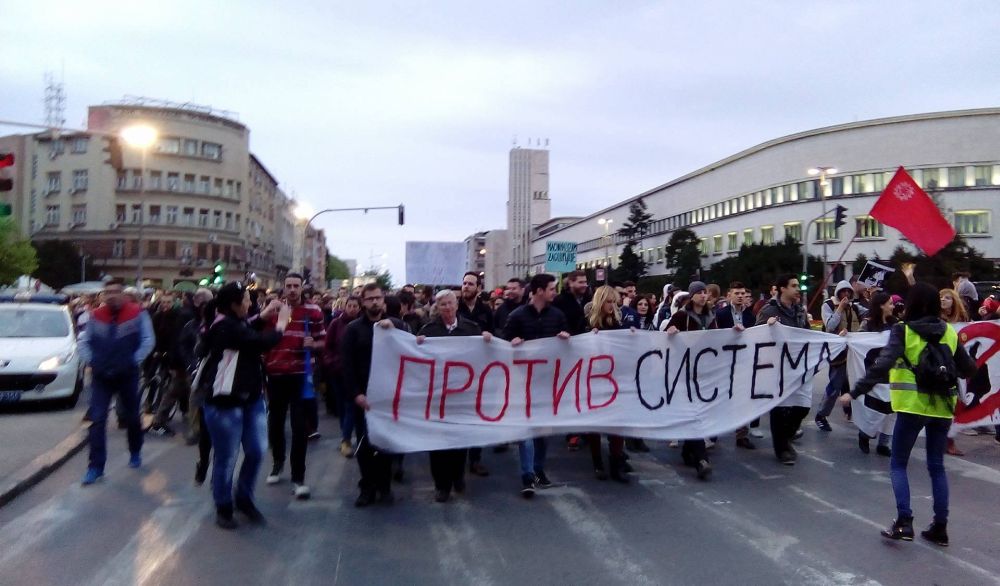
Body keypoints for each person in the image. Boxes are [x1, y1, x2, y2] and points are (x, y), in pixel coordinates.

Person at [843, 282, 977, 546]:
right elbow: (969, 368)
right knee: (936, 467)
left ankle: (904, 522)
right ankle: (940, 527)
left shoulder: (903, 331)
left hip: (911, 406)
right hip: (942, 407)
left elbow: (882, 365)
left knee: (898, 464)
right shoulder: (949, 332)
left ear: (912, 304)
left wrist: (855, 391)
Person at [198, 282, 285, 529]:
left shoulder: (233, 322)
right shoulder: (224, 327)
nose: (251, 303)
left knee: (257, 450)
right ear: (234, 305)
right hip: (224, 402)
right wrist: (281, 323)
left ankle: (244, 497)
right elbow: (258, 341)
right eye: (247, 300)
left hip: (252, 398)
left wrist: (262, 316)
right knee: (226, 458)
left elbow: (245, 327)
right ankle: (223, 506)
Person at [416, 290, 492, 502]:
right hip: (438, 396)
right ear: (437, 308)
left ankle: (457, 476)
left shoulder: (471, 329)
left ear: (456, 305)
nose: (447, 308)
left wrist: (487, 340)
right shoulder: (429, 331)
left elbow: (482, 357)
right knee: (438, 443)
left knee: (459, 440)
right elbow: (418, 358)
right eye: (443, 305)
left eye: (450, 303)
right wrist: (417, 344)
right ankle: (441, 485)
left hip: (462, 395)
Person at [78, 279, 155, 485]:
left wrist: (133, 360)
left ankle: (135, 450)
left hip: (127, 375)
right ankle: (95, 466)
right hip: (102, 376)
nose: (111, 295)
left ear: (122, 294)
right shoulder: (96, 316)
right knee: (98, 420)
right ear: (103, 295)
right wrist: (92, 360)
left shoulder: (138, 314)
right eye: (107, 292)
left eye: (115, 291)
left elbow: (148, 340)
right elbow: (84, 341)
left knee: (131, 417)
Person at [258, 273, 326, 500]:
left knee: (299, 427)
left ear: (302, 287)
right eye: (289, 286)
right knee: (275, 423)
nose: (293, 289)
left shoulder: (314, 311)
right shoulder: (274, 310)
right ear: (283, 288)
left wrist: (313, 344)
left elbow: (323, 341)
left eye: (296, 285)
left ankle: (299, 477)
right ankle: (277, 463)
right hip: (276, 374)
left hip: (300, 376)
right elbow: (260, 335)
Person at [503, 273, 570, 498]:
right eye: (552, 288)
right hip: (522, 382)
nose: (555, 292)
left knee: (544, 430)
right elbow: (501, 345)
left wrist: (565, 339)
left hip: (548, 382)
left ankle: (539, 468)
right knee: (527, 430)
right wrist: (511, 343)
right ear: (539, 290)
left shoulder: (558, 316)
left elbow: (569, 347)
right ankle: (527, 474)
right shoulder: (517, 316)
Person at [344, 283, 409, 506]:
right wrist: (356, 394)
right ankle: (367, 487)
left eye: (378, 298)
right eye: (369, 298)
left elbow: (410, 346)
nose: (374, 302)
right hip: (364, 398)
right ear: (363, 302)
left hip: (388, 396)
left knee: (385, 444)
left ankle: (384, 486)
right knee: (365, 445)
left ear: (383, 300)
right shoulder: (353, 330)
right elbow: (347, 365)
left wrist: (395, 325)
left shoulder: (395, 325)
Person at [755, 274, 812, 465]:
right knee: (779, 409)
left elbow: (807, 333)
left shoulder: (799, 311)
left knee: (802, 406)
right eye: (794, 286)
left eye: (798, 285)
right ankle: (781, 449)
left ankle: (786, 437)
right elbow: (755, 335)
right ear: (782, 289)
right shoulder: (769, 310)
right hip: (776, 367)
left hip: (797, 365)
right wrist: (767, 326)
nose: (798, 289)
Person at [664, 281, 717, 479]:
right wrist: (670, 333)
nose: (704, 295)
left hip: (704, 372)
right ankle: (702, 460)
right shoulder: (681, 316)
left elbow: (721, 338)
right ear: (692, 296)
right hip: (684, 372)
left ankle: (688, 451)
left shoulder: (711, 317)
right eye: (699, 292)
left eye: (705, 292)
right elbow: (664, 340)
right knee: (693, 413)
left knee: (699, 413)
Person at [584, 285, 630, 483]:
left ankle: (616, 462)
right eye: (608, 302)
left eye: (614, 302)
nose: (612, 306)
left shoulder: (618, 323)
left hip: (614, 378)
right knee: (596, 424)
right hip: (593, 379)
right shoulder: (587, 322)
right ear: (600, 302)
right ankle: (597, 463)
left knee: (617, 424)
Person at [815, 280, 867, 432]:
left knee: (859, 383)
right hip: (837, 353)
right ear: (838, 292)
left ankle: (856, 415)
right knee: (835, 386)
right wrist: (840, 309)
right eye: (843, 291)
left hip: (854, 353)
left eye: (848, 292)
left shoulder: (855, 307)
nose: (846, 294)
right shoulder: (828, 305)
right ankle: (821, 415)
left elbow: (871, 313)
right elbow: (830, 325)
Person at [457, 272, 494, 477]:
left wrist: (490, 335)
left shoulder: (485, 311)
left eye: (470, 284)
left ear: (478, 288)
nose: (466, 287)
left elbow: (495, 331)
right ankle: (459, 456)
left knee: (478, 415)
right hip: (458, 370)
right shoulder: (454, 307)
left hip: (480, 370)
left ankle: (476, 458)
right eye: (464, 283)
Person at [716, 282, 760, 448]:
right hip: (725, 360)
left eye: (742, 293)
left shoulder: (750, 315)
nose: (740, 296)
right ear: (729, 295)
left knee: (743, 398)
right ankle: (713, 432)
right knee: (721, 397)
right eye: (737, 293)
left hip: (744, 361)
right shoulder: (720, 314)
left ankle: (742, 435)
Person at [856, 291, 897, 457]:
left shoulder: (896, 324)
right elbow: (858, 342)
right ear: (881, 305)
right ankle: (865, 434)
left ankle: (884, 443)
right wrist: (846, 337)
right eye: (890, 303)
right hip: (875, 373)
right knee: (878, 411)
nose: (893, 306)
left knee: (893, 411)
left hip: (894, 373)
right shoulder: (868, 324)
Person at [324, 295, 362, 457]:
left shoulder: (362, 325)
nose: (352, 308)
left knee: (350, 407)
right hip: (338, 372)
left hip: (356, 373)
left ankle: (347, 439)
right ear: (345, 306)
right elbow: (328, 347)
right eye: (350, 305)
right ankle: (344, 435)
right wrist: (332, 363)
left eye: (355, 306)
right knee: (342, 407)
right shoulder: (336, 323)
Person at [939, 288, 969, 456]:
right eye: (941, 297)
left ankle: (948, 440)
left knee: (955, 405)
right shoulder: (936, 320)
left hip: (957, 367)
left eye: (948, 297)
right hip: (940, 367)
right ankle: (945, 441)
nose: (943, 300)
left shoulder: (962, 321)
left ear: (954, 301)